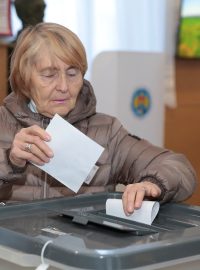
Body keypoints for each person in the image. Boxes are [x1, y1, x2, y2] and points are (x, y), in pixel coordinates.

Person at [0, 22, 196, 215]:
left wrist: (152, 184)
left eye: (72, 73)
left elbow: (179, 167)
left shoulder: (106, 131)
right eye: (49, 75)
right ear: (24, 79)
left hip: (80, 245)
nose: (63, 86)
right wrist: (10, 160)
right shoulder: (3, 123)